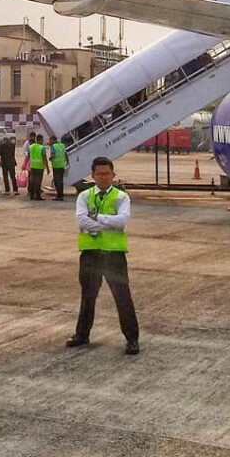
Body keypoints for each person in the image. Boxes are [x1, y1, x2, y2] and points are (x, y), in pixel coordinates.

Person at [67, 156, 139, 354]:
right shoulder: (84, 196)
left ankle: (132, 339)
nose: (104, 177)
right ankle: (82, 334)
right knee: (88, 296)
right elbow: (82, 220)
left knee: (122, 297)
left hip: (114, 255)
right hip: (91, 254)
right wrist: (108, 222)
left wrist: (96, 218)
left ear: (113, 174)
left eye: (107, 174)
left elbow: (122, 221)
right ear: (93, 175)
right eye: (99, 174)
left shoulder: (121, 197)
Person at [27, 133, 50, 201]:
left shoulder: (31, 147)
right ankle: (37, 195)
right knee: (38, 182)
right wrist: (47, 167)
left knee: (32, 181)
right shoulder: (42, 148)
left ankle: (31, 195)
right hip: (39, 167)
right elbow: (44, 158)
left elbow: (28, 156)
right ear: (40, 140)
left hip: (32, 166)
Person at [49, 135, 68, 201]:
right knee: (61, 181)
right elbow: (65, 154)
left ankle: (59, 196)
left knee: (57, 182)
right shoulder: (62, 145)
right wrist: (67, 162)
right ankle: (61, 195)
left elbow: (53, 155)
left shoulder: (53, 146)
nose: (49, 142)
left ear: (52, 140)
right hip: (62, 166)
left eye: (50, 140)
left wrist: (50, 158)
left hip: (56, 166)